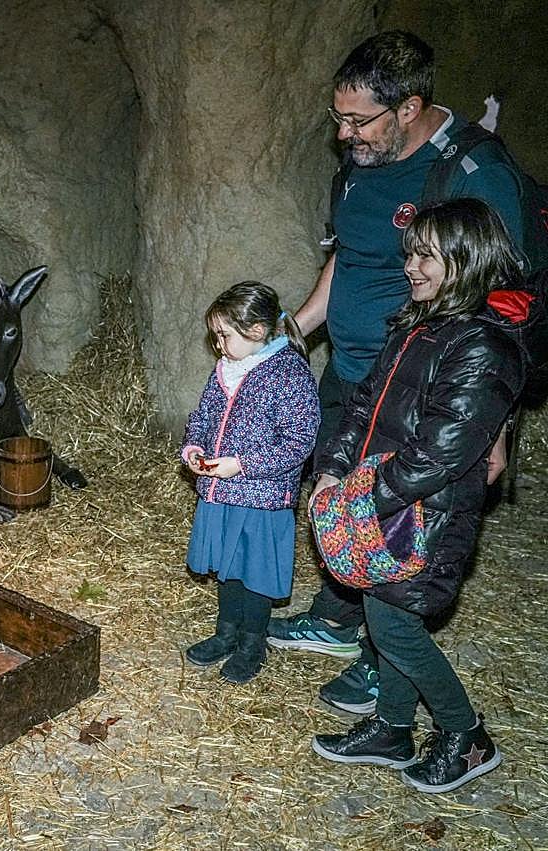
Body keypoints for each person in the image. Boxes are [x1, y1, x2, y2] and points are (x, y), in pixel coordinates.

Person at [267, 30, 527, 713]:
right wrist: (291, 331)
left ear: (410, 107)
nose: (345, 133)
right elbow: (346, 256)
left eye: (359, 120)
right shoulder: (359, 161)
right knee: (338, 488)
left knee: (400, 516)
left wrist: (494, 422)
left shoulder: (472, 173)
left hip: (423, 388)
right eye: (338, 118)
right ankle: (336, 616)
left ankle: (388, 661)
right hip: (353, 371)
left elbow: (507, 301)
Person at [309, 198, 522, 793]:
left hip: (428, 512)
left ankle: (465, 733)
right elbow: (362, 404)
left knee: (395, 625)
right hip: (389, 502)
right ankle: (393, 727)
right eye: (411, 254)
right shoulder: (416, 326)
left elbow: (441, 454)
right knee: (384, 615)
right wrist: (332, 467)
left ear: (466, 259)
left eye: (426, 255)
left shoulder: (482, 346)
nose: (411, 267)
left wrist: (363, 498)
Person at [181, 282, 320, 684]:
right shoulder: (226, 369)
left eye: (224, 335)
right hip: (221, 492)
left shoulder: (289, 374)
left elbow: (299, 442)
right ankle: (226, 633)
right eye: (215, 336)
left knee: (253, 573)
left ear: (257, 330)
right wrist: (193, 447)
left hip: (261, 497)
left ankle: (252, 643)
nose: (218, 344)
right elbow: (204, 415)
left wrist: (242, 465)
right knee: (226, 567)